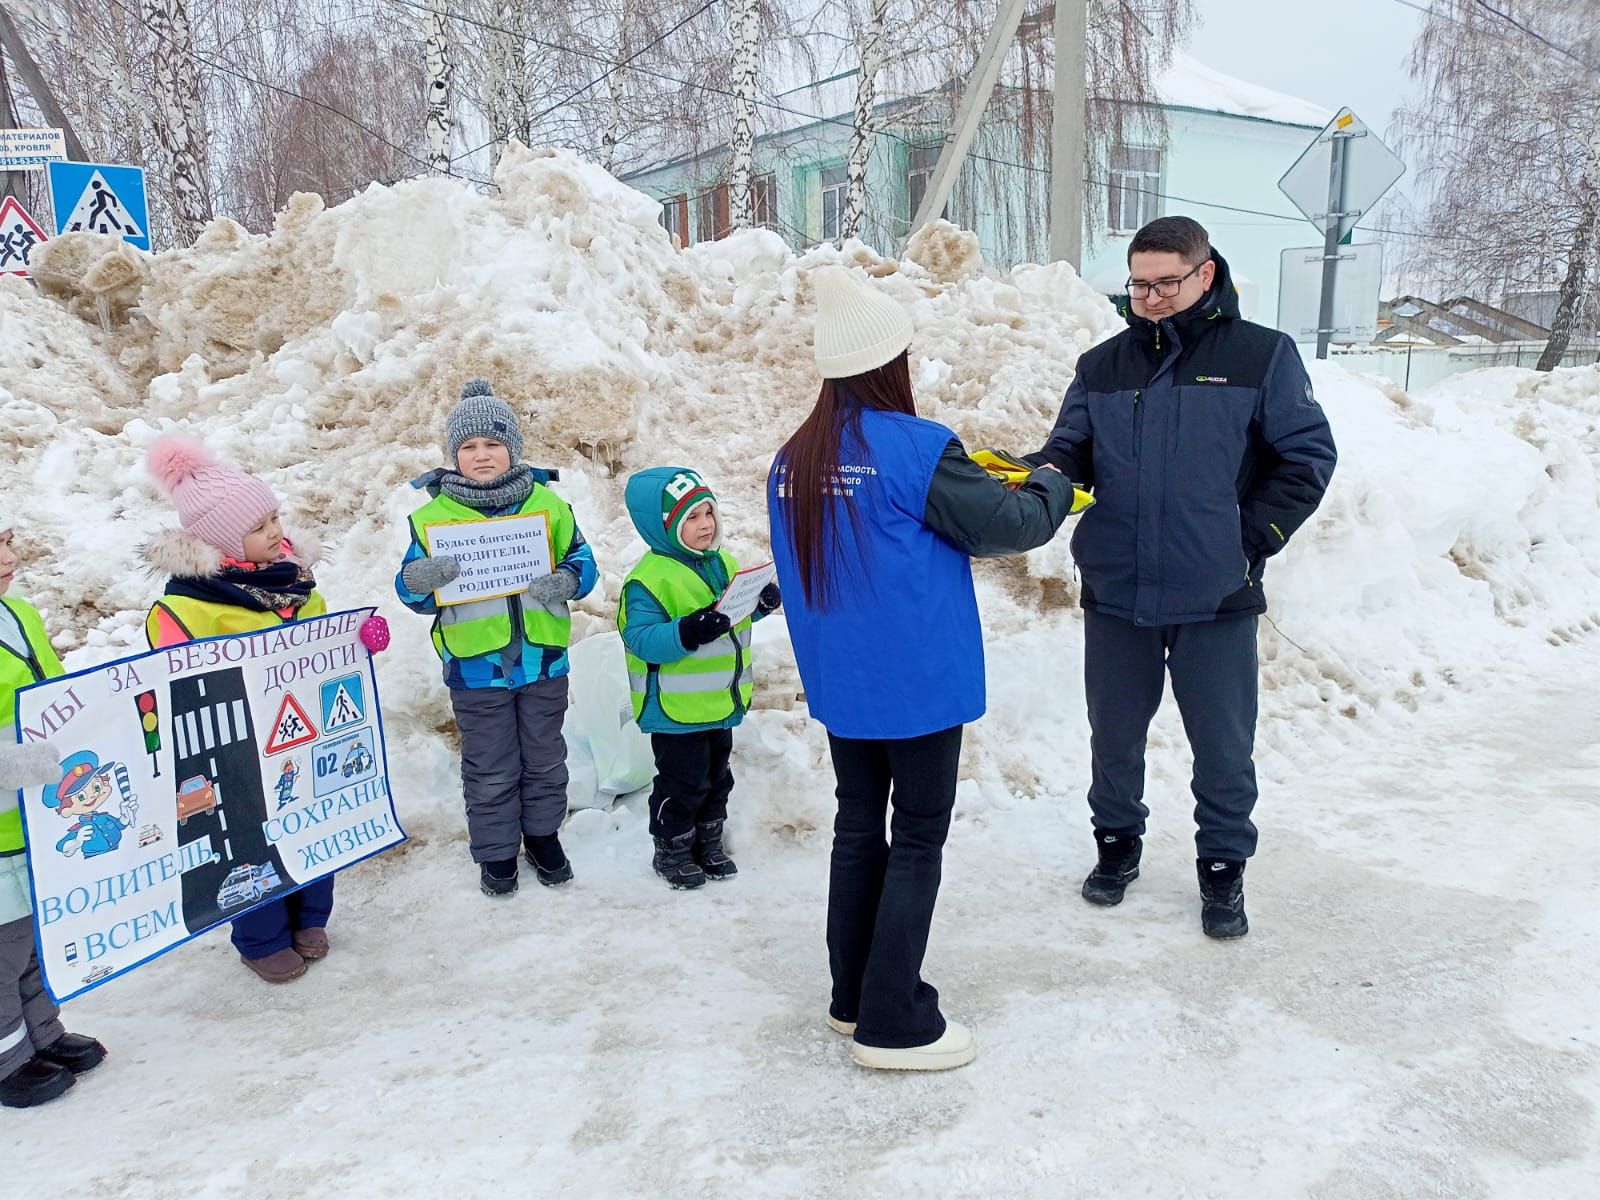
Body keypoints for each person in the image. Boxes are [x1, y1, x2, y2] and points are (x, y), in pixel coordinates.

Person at [768, 265, 1078, 1072]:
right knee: (918, 837)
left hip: (845, 681)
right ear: (889, 361)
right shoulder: (917, 447)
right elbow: (1011, 524)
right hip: (917, 680)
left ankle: (850, 995)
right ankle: (894, 1019)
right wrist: (1053, 480)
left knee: (857, 826)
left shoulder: (793, 459)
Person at [1028, 216, 1337, 938]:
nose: (1152, 297)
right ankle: (1116, 847)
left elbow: (1307, 458)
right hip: (1117, 587)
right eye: (1140, 284)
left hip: (1216, 593)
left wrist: (1249, 538)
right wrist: (1044, 475)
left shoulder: (1263, 356)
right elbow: (1070, 447)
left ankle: (1223, 870)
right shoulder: (1102, 366)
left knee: (1224, 746)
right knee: (1114, 737)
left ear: (1205, 273)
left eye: (1167, 282)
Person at [144, 435, 387, 983]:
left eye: (274, 517)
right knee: (249, 839)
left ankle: (310, 915)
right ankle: (260, 937)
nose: (276, 532)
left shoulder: (294, 583)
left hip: (306, 732)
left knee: (313, 813)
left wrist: (361, 640)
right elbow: (170, 674)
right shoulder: (189, 605)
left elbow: (324, 642)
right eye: (259, 527)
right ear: (223, 541)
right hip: (237, 747)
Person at [395, 379, 598, 898]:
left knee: (545, 758)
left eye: (492, 443)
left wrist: (570, 581)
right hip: (475, 666)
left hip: (543, 661)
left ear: (513, 448)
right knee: (489, 767)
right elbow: (414, 593)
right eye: (468, 446)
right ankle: (496, 851)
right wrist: (419, 581)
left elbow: (583, 561)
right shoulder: (432, 518)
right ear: (453, 455)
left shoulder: (547, 505)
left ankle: (543, 836)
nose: (481, 455)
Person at [617, 467, 781, 890]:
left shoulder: (722, 562)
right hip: (675, 707)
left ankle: (709, 842)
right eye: (691, 518)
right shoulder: (648, 580)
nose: (705, 524)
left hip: (719, 703)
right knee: (682, 781)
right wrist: (686, 630)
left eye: (708, 512)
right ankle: (671, 847)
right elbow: (640, 639)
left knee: (717, 778)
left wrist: (760, 605)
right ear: (664, 527)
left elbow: (731, 613)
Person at [0, 508, 108, 1107]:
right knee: (1, 947)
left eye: (7, 541)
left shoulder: (19, 613)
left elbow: (51, 695)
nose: (9, 560)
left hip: (37, 818)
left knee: (34, 938)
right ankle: (6, 1059)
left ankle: (41, 1034)